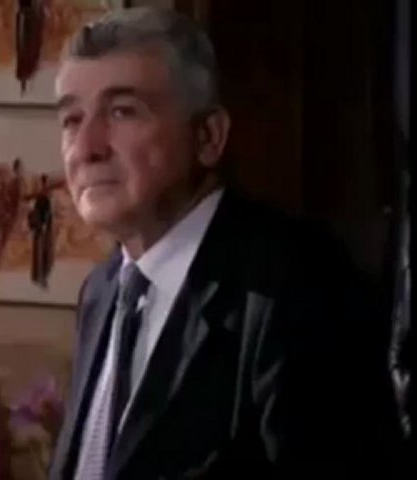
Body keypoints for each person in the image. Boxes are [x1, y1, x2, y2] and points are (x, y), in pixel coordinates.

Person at [48, 7, 398, 480]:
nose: (86, 147)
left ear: (208, 136)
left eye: (121, 111)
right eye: (72, 119)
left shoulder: (297, 285)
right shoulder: (101, 292)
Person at [29, 174, 55, 288]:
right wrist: (42, 224)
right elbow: (39, 213)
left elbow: (48, 214)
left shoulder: (46, 198)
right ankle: (39, 277)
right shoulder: (41, 198)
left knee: (46, 254)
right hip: (41, 229)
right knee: (40, 253)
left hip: (45, 229)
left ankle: (42, 277)